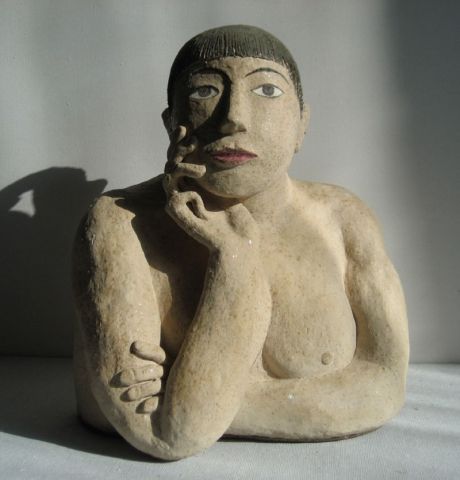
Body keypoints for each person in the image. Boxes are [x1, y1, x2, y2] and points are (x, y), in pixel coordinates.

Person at [73, 25, 409, 460]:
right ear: (171, 122)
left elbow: (385, 381)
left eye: (267, 90)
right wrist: (234, 258)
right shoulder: (120, 222)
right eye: (205, 90)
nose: (234, 117)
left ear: (302, 123)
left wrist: (197, 398)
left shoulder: (343, 218)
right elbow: (165, 435)